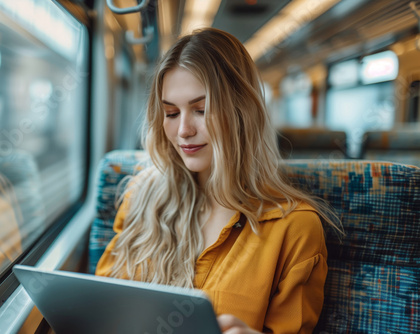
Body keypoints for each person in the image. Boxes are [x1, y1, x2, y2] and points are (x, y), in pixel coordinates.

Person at [95, 28, 343, 333]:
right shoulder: (140, 196)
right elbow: (102, 308)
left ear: (243, 112)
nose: (183, 130)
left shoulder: (295, 228)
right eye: (171, 113)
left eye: (201, 110)